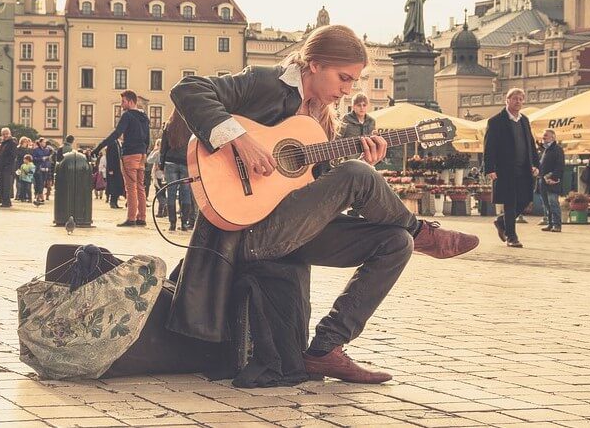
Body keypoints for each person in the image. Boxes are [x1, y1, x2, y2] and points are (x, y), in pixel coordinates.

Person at [168, 24, 479, 384]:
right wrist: (241, 140)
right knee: (356, 174)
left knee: (395, 242)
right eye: (343, 78)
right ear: (314, 65)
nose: (347, 90)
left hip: (290, 230)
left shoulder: (322, 120)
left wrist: (364, 167)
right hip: (247, 232)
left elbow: (315, 191)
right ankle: (425, 233)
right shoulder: (264, 82)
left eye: (353, 82)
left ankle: (325, 349)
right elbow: (187, 89)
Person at [484, 88, 540, 248]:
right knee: (510, 202)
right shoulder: (496, 121)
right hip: (504, 169)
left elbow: (531, 144)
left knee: (525, 199)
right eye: (515, 99)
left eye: (521, 99)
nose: (518, 102)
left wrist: (535, 164)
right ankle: (512, 237)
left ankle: (501, 222)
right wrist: (490, 169)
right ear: (507, 100)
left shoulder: (524, 120)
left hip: (524, 168)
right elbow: (489, 147)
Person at [91, 90, 150, 227]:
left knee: (131, 187)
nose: (121, 104)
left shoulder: (127, 115)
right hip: (141, 154)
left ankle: (131, 218)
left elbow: (117, 133)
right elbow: (148, 139)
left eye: (123, 101)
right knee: (141, 187)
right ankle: (141, 217)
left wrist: (99, 147)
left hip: (130, 154)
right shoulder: (144, 117)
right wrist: (144, 152)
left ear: (130, 101)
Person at [159, 110, 193, 231]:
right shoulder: (190, 124)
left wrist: (161, 164)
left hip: (170, 162)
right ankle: (184, 223)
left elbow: (163, 146)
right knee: (185, 192)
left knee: (171, 193)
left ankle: (172, 223)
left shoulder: (169, 125)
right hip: (186, 163)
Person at [538, 129, 564, 233]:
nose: (543, 137)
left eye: (545, 136)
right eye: (543, 136)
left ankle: (557, 225)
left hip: (552, 182)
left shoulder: (557, 149)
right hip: (543, 181)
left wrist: (552, 177)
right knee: (546, 204)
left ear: (553, 137)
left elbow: (560, 166)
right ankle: (550, 223)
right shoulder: (545, 150)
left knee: (553, 203)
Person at [0, 127, 17, 207]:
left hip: (8, 168)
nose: (5, 135)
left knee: (6, 185)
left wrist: (6, 164)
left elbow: (12, 156)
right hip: (2, 168)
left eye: (6, 134)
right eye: (3, 134)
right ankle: (3, 200)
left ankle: (7, 202)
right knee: (2, 184)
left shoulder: (12, 143)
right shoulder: (4, 143)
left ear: (10, 134)